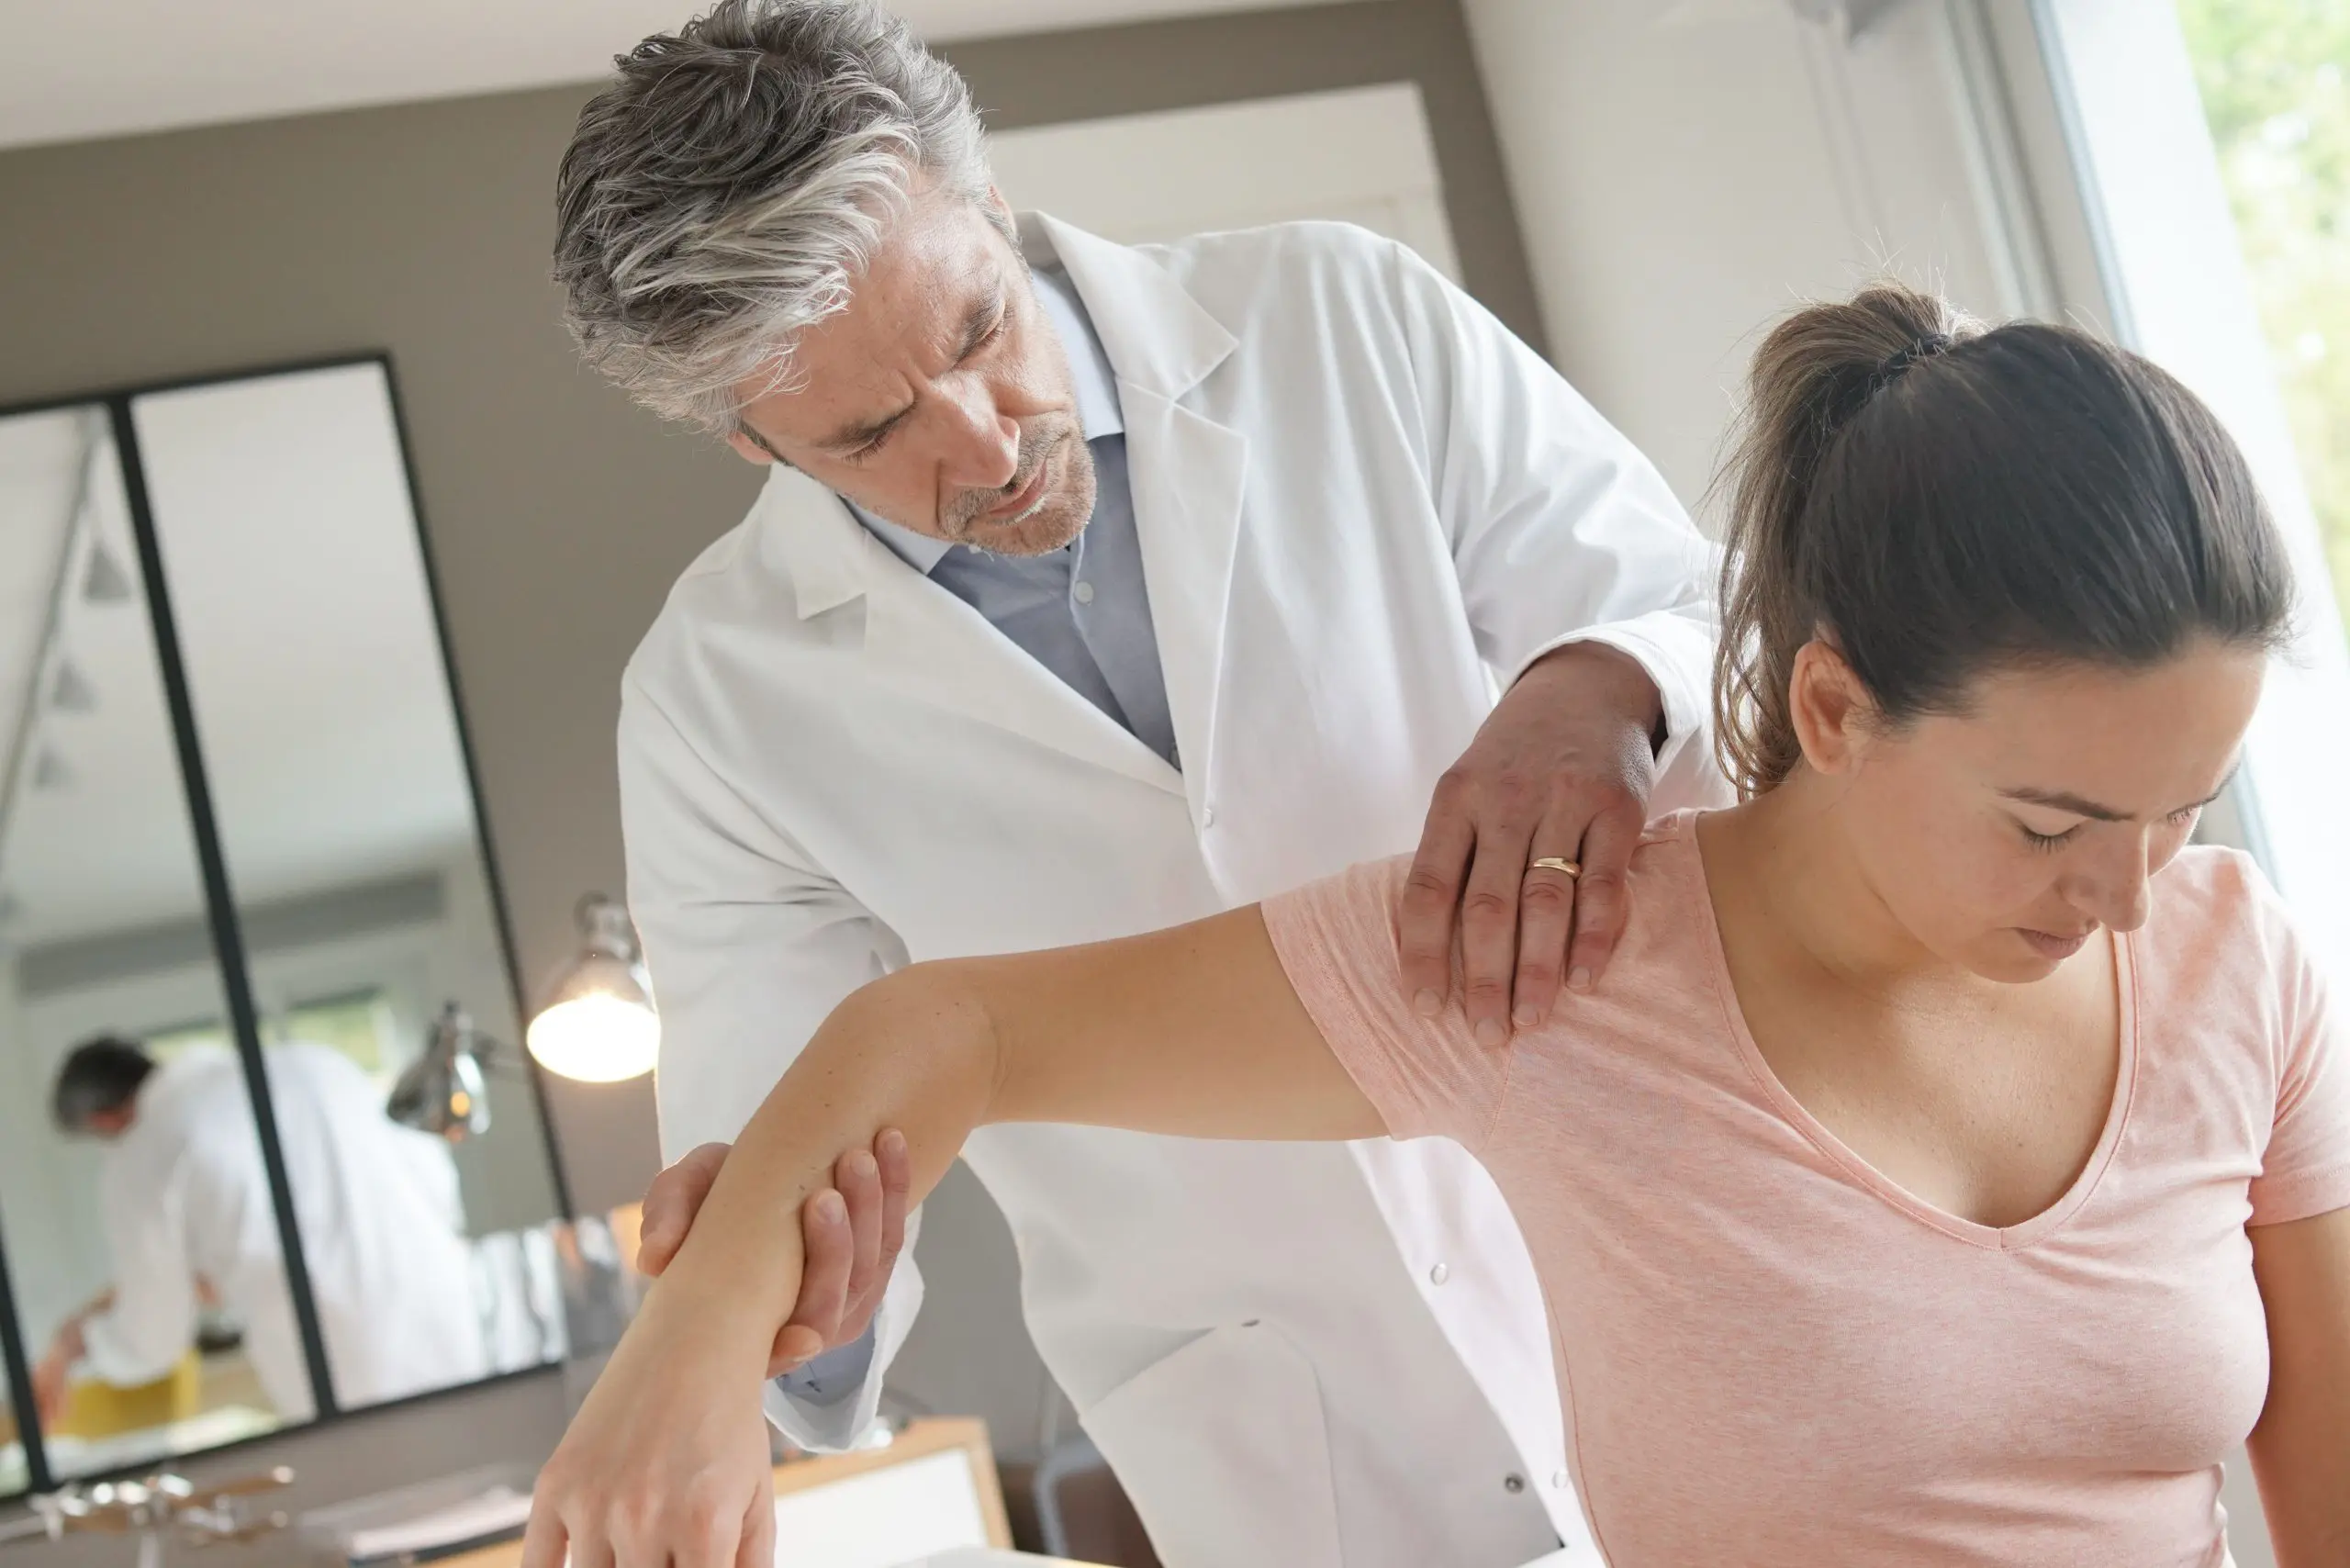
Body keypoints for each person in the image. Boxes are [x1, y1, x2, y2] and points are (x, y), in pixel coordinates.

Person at [530, 284, 2350, 1568]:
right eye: (2052, 822)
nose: (2130, 890)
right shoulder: (1549, 962)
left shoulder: (2231, 960)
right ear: (1826, 710)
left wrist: (1578, 682)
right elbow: (948, 1031)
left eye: (2180, 804)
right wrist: (689, 1334)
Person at [553, 4, 1721, 1562]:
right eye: (871, 430)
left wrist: (1595, 689)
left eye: (976, 330)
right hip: (1298, 1451)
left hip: (1663, 1257)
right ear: (751, 442)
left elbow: (1701, 614)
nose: (983, 443)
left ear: (990, 204)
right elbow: (780, 1132)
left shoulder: (1338, 312)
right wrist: (787, 1296)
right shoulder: (717, 702)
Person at [37, 1036, 487, 1424]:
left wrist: (82, 1343)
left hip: (347, 1369)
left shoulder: (143, 1149)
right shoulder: (316, 1061)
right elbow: (433, 1179)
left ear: (102, 1121)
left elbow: (152, 1337)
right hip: (452, 1314)